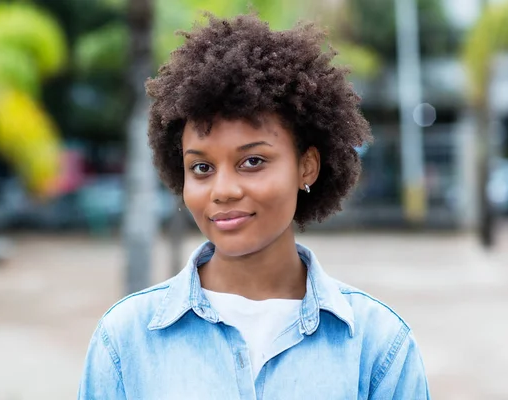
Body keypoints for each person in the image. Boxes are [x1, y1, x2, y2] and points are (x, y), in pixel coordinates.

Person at [78, 13, 430, 400]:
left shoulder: (377, 345)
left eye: (252, 161)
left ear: (307, 166)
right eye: (201, 167)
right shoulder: (125, 340)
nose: (223, 190)